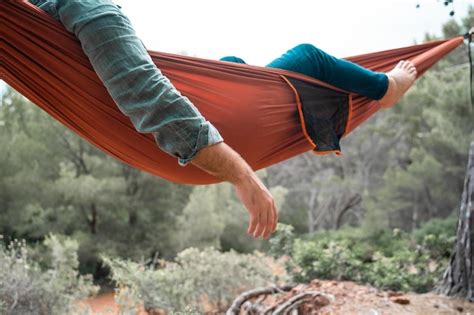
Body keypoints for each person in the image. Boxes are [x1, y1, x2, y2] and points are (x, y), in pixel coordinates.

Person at [29, 0, 416, 241]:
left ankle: (315, 121)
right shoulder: (81, 5)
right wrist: (243, 176)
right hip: (194, 135)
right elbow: (148, 93)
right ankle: (384, 89)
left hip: (169, 141)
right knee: (308, 57)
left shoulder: (34, 20)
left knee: (233, 66)